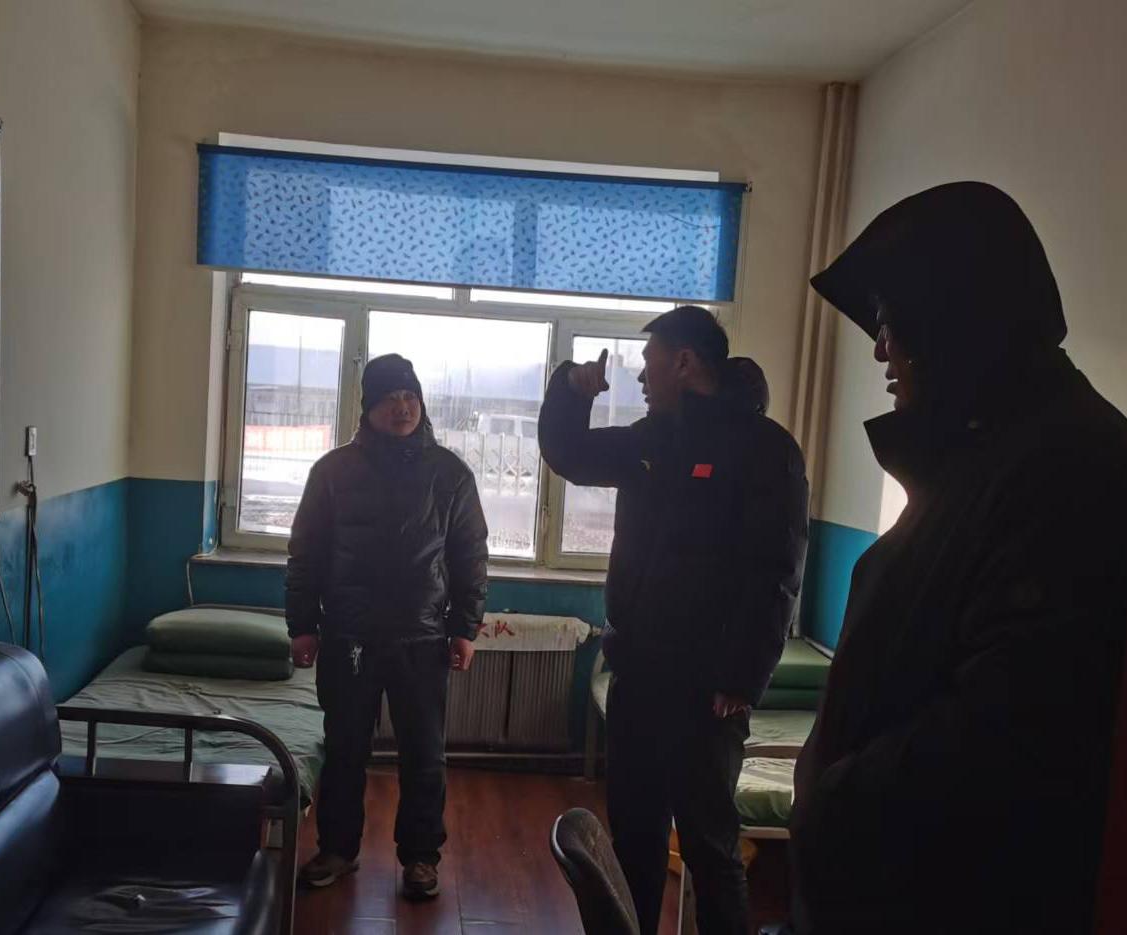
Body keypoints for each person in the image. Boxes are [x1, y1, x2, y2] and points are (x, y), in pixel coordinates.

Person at [791, 182, 1127, 933]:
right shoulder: (993, 455)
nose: (879, 349)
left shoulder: (1070, 471)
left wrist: (831, 804)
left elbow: (1000, 737)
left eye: (888, 322)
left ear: (951, 318)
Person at [539, 308, 809, 935]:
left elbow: (777, 572)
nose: (641, 375)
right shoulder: (652, 440)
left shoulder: (766, 450)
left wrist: (742, 677)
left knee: (709, 844)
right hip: (638, 673)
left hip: (706, 690)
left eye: (649, 361)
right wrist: (569, 392)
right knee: (634, 836)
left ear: (684, 362)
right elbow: (572, 454)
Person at [287, 353, 489, 901]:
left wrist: (465, 627)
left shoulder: (450, 474)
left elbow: (470, 556)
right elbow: (305, 553)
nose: (402, 407)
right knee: (344, 750)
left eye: (410, 396)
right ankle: (337, 849)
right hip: (348, 638)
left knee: (424, 756)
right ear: (368, 407)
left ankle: (421, 857)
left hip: (422, 639)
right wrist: (302, 624)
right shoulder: (333, 472)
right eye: (390, 397)